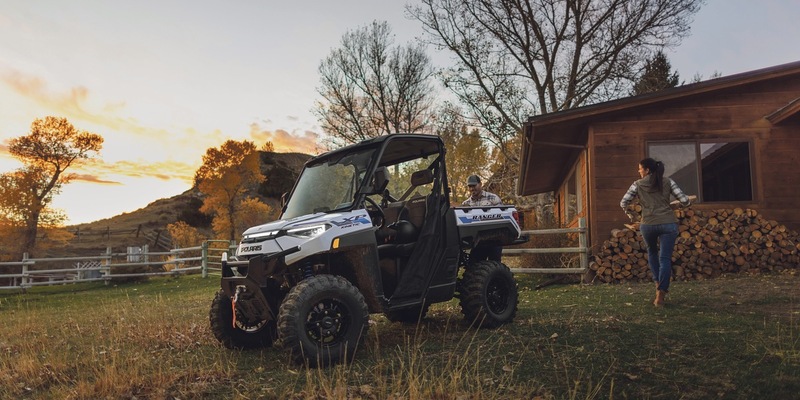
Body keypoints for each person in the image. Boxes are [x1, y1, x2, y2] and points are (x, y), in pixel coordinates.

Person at [620, 158, 691, 306]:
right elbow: (684, 200)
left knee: (652, 252)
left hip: (648, 225)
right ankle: (661, 293)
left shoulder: (637, 184)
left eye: (640, 168)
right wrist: (685, 205)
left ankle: (657, 284)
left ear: (647, 170)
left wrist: (632, 216)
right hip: (668, 224)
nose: (638, 171)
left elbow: (623, 202)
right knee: (664, 258)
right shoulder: (668, 181)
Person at [462, 175, 503, 262]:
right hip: (477, 242)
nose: (472, 188)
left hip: (494, 239)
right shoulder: (466, 204)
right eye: (470, 186)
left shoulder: (493, 199)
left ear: (480, 184)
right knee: (473, 266)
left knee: (495, 265)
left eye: (474, 185)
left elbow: (502, 217)